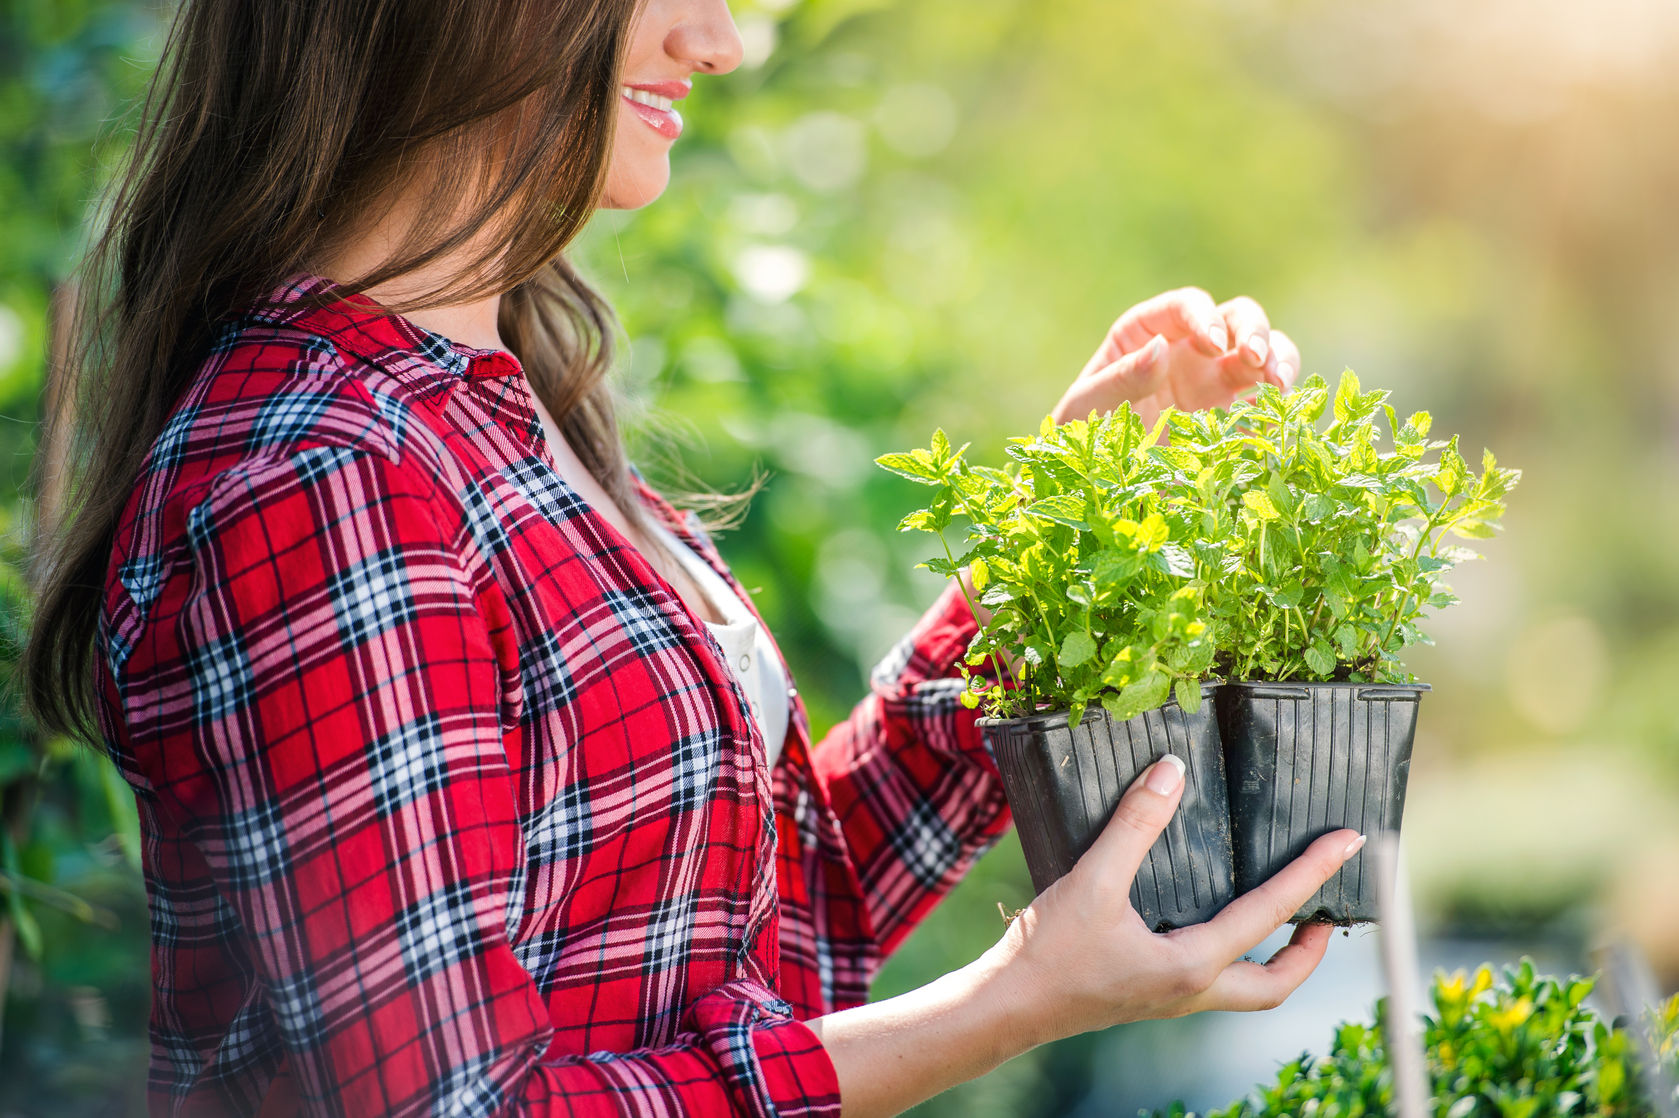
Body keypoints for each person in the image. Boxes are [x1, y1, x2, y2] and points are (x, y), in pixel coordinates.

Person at [22, 1, 1364, 1115]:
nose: (720, 40)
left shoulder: (498, 405)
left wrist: (1064, 528)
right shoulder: (327, 474)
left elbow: (780, 935)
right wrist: (1015, 999)